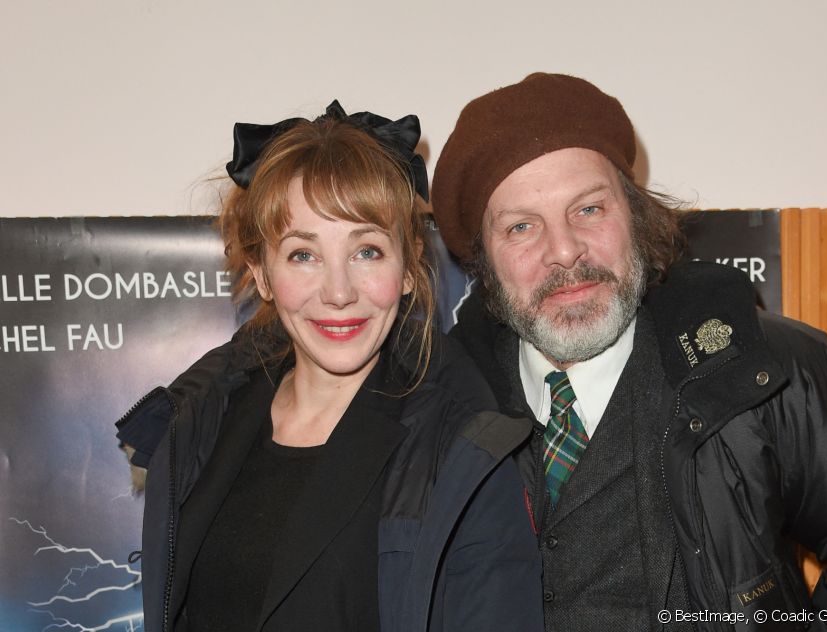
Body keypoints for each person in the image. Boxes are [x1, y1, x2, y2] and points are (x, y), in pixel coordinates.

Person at [430, 72, 827, 631]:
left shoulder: (769, 369)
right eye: (522, 226)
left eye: (588, 210)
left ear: (633, 215)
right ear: (484, 261)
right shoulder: (441, 408)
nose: (564, 251)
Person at [115, 100, 543, 632]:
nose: (339, 293)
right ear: (263, 274)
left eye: (366, 251)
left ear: (408, 267)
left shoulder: (465, 452)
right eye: (303, 254)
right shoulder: (205, 421)